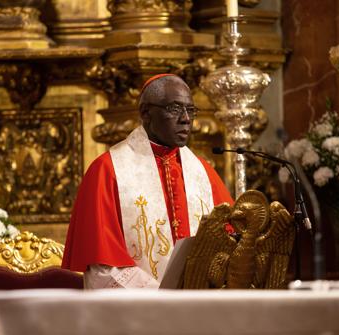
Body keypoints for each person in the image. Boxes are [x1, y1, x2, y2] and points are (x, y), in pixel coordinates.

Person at [62, 74, 233, 288]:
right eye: (174, 108)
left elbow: (231, 244)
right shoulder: (107, 171)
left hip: (200, 306)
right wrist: (163, 299)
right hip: (142, 312)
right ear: (146, 113)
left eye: (190, 110)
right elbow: (102, 268)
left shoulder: (203, 172)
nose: (186, 119)